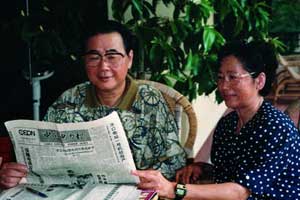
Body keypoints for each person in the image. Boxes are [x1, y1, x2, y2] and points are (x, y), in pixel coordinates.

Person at [0, 20, 186, 189]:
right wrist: (15, 174)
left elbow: (173, 163)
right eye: (94, 57)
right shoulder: (68, 100)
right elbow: (39, 164)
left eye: (112, 56)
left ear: (129, 59)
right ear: (85, 61)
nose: (103, 66)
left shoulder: (150, 100)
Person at [132, 41, 300, 200]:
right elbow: (228, 175)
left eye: (233, 77)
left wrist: (174, 189)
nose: (224, 86)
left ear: (259, 81)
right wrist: (202, 169)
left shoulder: (277, 128)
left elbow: (240, 192)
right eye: (220, 77)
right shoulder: (228, 124)